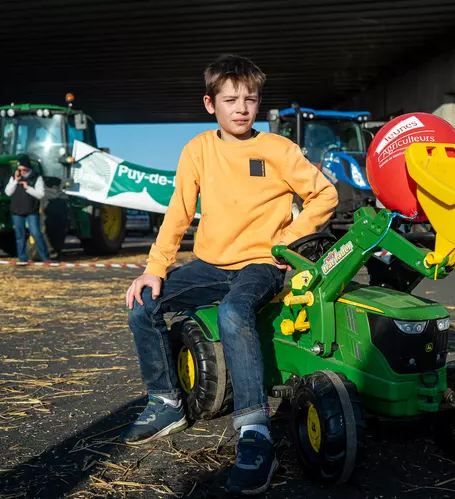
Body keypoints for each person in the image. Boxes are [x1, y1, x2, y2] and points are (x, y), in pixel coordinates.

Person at [122, 54, 338, 495]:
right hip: (209, 264)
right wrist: (154, 269)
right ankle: (166, 402)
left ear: (258, 105)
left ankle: (255, 432)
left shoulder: (277, 149)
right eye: (230, 99)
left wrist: (288, 243)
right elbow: (178, 213)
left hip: (263, 263)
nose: (241, 108)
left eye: (250, 100)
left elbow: (324, 195)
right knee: (143, 307)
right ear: (210, 104)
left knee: (234, 313)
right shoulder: (198, 149)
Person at [4, 155, 51, 263]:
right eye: (19, 169)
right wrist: (15, 181)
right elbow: (8, 192)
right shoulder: (14, 177)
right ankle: (22, 258)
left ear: (29, 168)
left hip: (32, 211)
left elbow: (40, 195)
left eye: (24, 169)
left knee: (35, 232)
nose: (22, 172)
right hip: (17, 211)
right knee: (19, 235)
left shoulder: (36, 178)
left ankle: (45, 257)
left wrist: (27, 188)